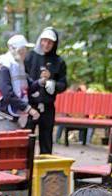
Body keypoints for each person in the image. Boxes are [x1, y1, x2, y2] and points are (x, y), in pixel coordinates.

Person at [25, 27, 67, 155]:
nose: (46, 45)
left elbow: (63, 83)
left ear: (54, 44)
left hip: (48, 107)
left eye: (50, 42)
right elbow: (23, 79)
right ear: (40, 40)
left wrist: (54, 85)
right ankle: (25, 169)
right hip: (30, 106)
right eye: (44, 41)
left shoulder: (58, 61)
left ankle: (46, 170)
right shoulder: (30, 57)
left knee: (46, 139)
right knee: (27, 139)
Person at [0, 34, 35, 132]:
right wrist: (27, 108)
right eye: (24, 49)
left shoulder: (18, 64)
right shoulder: (6, 66)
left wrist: (41, 82)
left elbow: (28, 85)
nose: (26, 52)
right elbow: (7, 93)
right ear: (17, 50)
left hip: (16, 116)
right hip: (6, 116)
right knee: (8, 145)